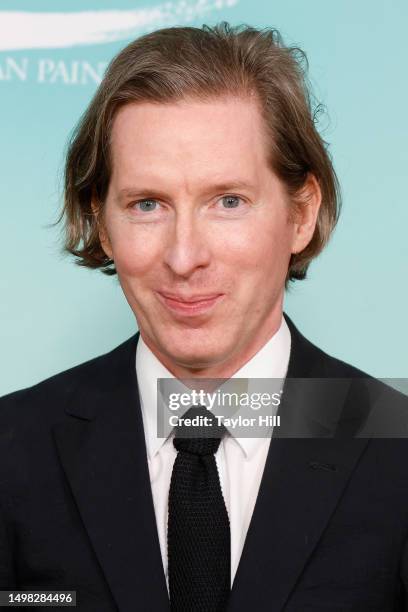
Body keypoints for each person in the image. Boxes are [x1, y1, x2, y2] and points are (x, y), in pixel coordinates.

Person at [0, 21, 407, 612]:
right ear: (102, 223)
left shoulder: (396, 447)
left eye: (229, 202)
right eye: (147, 204)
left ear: (301, 214)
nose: (184, 257)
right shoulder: (13, 448)